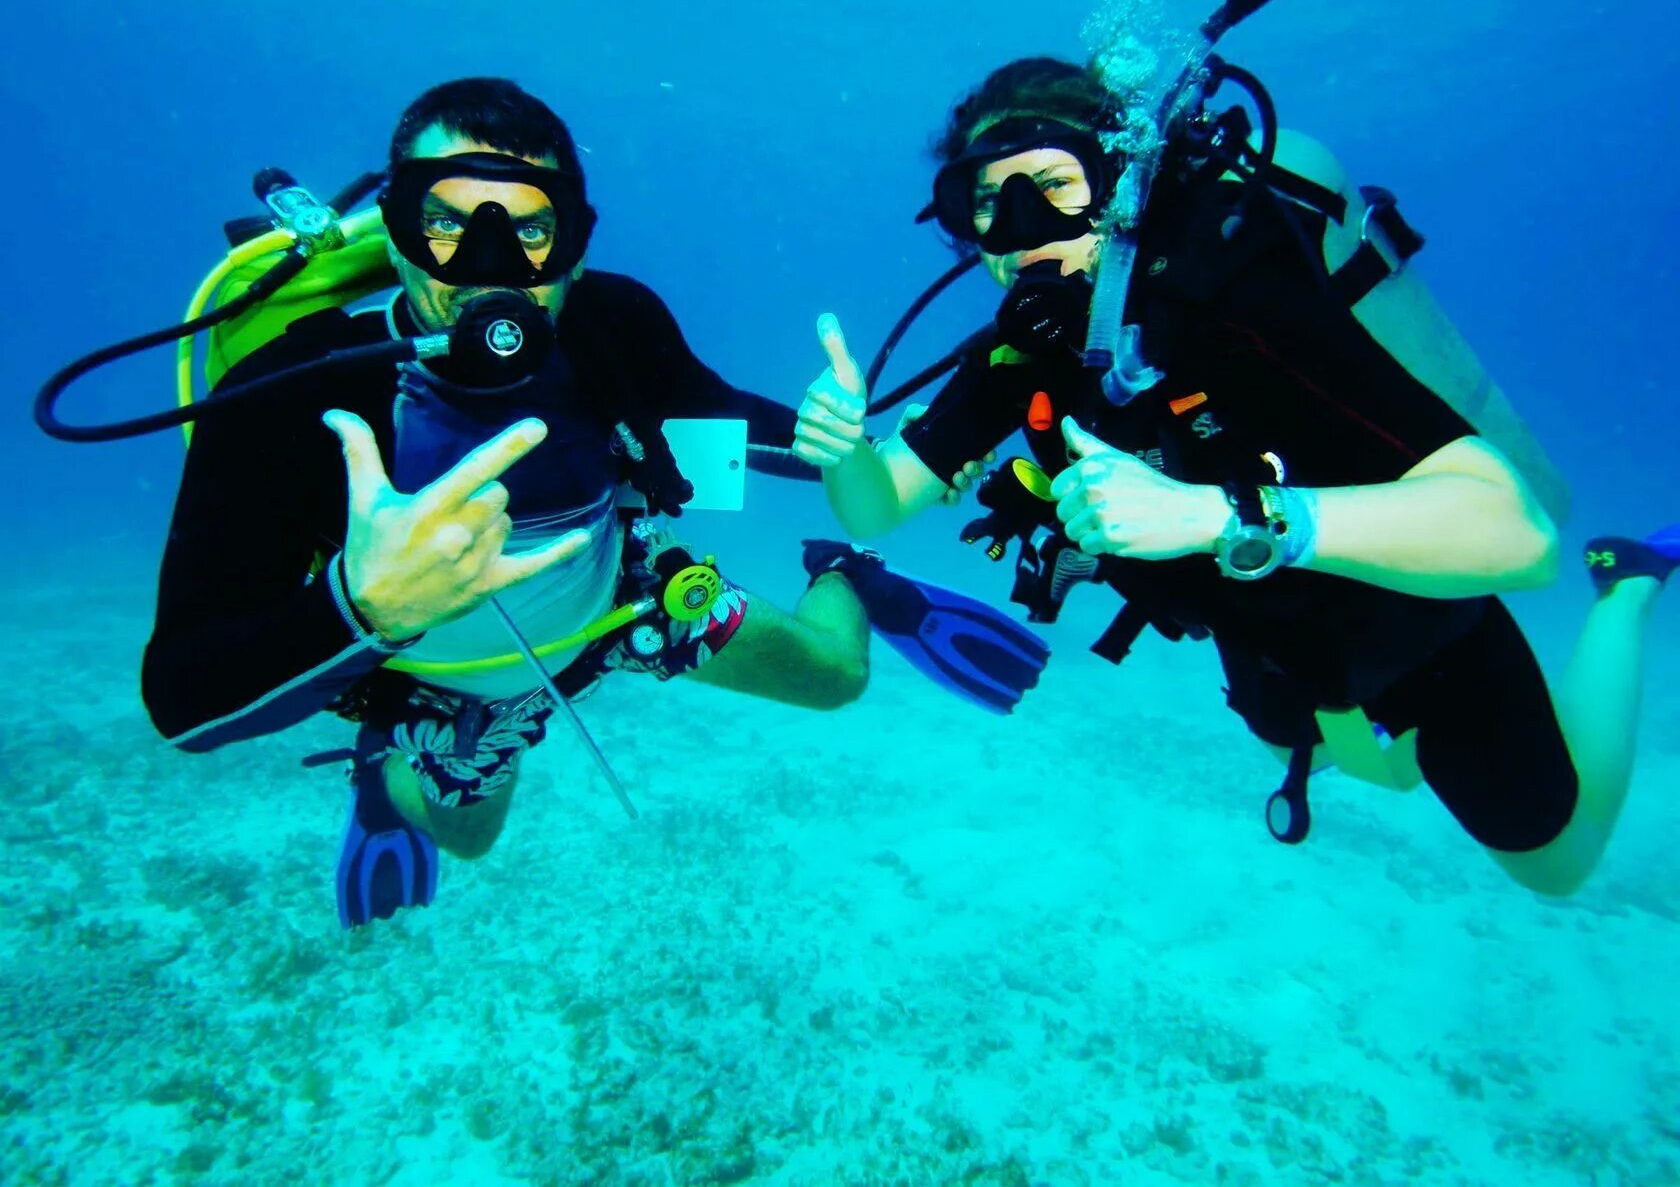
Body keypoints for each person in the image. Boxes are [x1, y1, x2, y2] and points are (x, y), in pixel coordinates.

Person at [139, 77, 1043, 929]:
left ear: (575, 240)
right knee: (470, 837)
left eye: (532, 231)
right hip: (431, 676)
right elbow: (184, 699)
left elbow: (722, 423)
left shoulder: (612, 326)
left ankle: (848, 577)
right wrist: (363, 610)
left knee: (836, 679)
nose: (489, 268)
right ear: (397, 227)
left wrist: (880, 461)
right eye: (448, 225)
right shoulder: (286, 394)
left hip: (622, 605)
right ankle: (384, 774)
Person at [795, 54, 1677, 896]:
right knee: (1343, 758)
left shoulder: (1237, 296)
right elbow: (875, 508)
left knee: (1560, 869)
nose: (1022, 228)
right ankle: (1360, 737)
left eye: (1055, 185)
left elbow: (1520, 538)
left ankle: (1630, 588)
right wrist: (848, 448)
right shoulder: (1026, 347)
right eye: (988, 200)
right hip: (1272, 657)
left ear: (1124, 184)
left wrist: (1218, 518)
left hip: (1414, 627)